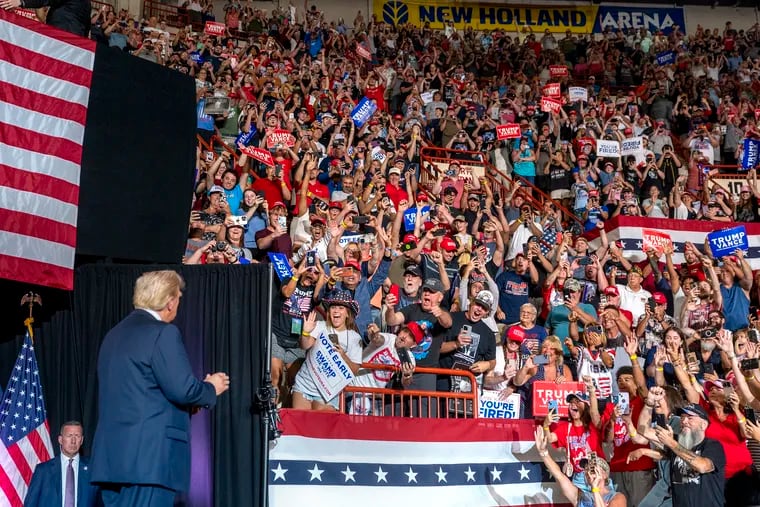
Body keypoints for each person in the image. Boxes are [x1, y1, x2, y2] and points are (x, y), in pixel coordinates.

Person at [91, 270, 230, 507]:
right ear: (169, 301)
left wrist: (187, 407)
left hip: (112, 462)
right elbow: (183, 389)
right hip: (149, 462)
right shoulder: (163, 333)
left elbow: (141, 391)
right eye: (178, 298)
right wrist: (209, 388)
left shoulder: (113, 335)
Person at [653, 403, 726, 507]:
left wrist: (671, 443)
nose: (684, 421)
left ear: (703, 425)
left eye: (690, 418)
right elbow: (643, 433)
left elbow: (702, 466)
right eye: (682, 417)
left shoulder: (713, 446)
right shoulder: (676, 442)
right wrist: (648, 404)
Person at [534, 426, 626, 507]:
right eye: (587, 470)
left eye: (594, 468)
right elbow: (559, 475)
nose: (589, 471)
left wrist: (595, 489)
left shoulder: (617, 497)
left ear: (605, 474)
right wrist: (543, 453)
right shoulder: (580, 497)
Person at [25, 421, 99, 507]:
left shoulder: (93, 468)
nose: (73, 441)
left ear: (81, 440)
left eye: (77, 436)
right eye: (69, 436)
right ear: (60, 439)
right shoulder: (43, 471)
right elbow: (30, 504)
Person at [1, 0, 91, 36]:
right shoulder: (87, 3)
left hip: (61, 35)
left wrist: (21, 2)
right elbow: (87, 25)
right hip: (75, 39)